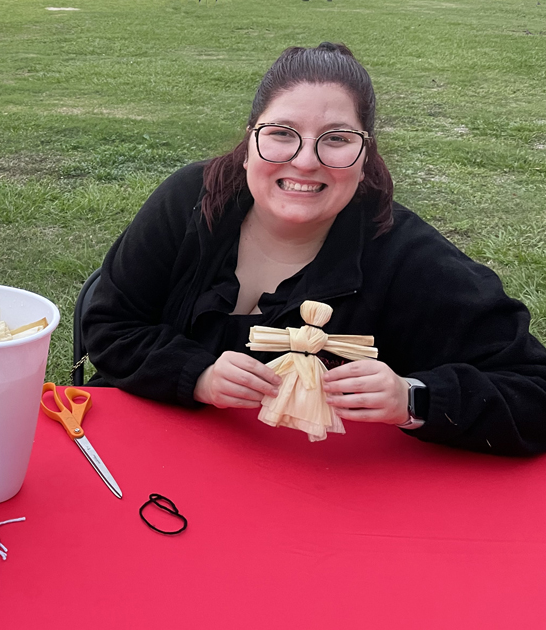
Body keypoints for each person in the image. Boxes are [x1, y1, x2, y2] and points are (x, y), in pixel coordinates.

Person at [82, 43, 546, 455]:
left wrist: (414, 397)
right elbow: (109, 325)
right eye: (282, 132)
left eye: (337, 139)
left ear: (365, 156)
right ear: (250, 142)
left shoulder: (405, 255)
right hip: (148, 452)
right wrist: (196, 375)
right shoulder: (190, 201)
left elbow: (533, 389)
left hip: (323, 490)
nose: (305, 160)